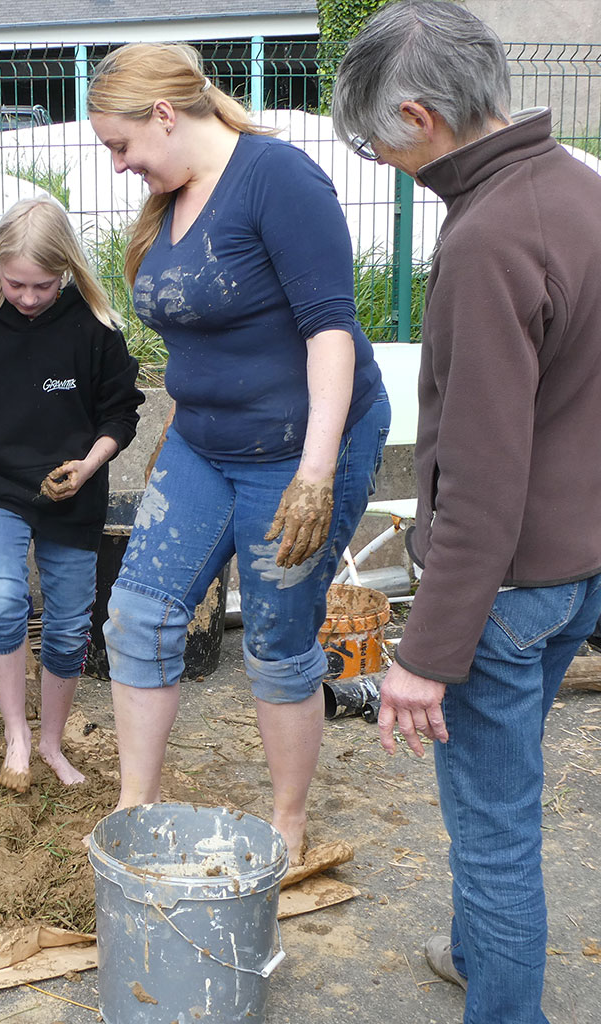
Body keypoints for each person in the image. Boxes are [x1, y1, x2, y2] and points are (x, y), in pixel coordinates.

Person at [332, 3, 601, 1020]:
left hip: (508, 587)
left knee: (494, 828)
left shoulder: (489, 239)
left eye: (376, 141)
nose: (381, 160)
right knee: (502, 799)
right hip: (573, 569)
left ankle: (505, 1005)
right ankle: (478, 954)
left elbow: (481, 479)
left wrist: (424, 656)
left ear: (417, 115)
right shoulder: (576, 184)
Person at [87, 42, 390, 864]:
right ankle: (136, 806)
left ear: (164, 112)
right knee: (137, 614)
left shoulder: (277, 179)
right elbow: (204, 339)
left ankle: (287, 819)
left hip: (297, 450)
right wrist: (169, 447)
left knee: (275, 639)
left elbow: (331, 328)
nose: (119, 166)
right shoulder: (174, 198)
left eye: (122, 146)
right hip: (202, 447)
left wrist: (316, 475)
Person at [0, 196, 144, 792]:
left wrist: (87, 466)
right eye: (16, 284)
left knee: (67, 625)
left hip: (73, 491)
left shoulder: (96, 330)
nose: (30, 297)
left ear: (67, 270)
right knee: (6, 601)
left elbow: (121, 414)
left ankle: (52, 743)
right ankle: (16, 737)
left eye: (43, 284)